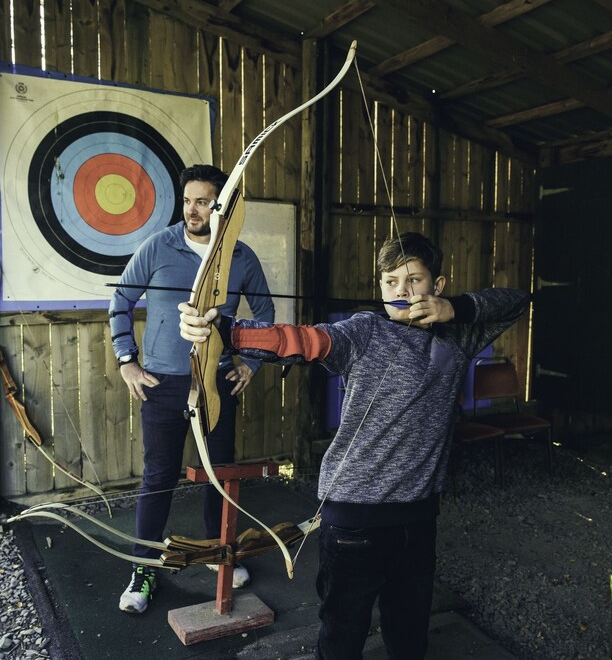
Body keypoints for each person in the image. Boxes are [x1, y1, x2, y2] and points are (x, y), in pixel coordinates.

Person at [179, 232, 529, 658]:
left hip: (418, 517)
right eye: (391, 282)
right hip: (354, 520)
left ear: (437, 286)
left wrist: (456, 308)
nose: (402, 290)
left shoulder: (458, 336)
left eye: (415, 279)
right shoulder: (364, 331)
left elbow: (517, 299)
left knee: (409, 630)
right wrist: (225, 331)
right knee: (343, 635)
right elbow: (304, 341)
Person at [109, 164, 275, 614]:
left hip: (215, 382)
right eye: (188, 200)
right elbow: (120, 300)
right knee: (158, 477)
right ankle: (143, 568)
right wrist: (127, 361)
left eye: (204, 201)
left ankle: (218, 555)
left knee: (220, 474)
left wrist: (252, 362)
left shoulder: (241, 258)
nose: (193, 209)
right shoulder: (158, 247)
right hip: (162, 383)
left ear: (221, 206)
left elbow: (265, 313)